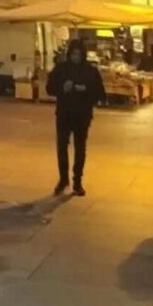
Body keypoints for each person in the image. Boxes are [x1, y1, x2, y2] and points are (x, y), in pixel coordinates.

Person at [46, 39, 105, 196]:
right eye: (73, 54)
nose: (76, 57)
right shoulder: (61, 69)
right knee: (62, 146)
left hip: (82, 115)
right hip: (64, 113)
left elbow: (100, 93)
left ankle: (77, 181)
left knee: (80, 148)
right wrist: (62, 88)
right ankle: (63, 179)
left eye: (78, 54)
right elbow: (49, 88)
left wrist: (85, 89)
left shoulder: (90, 71)